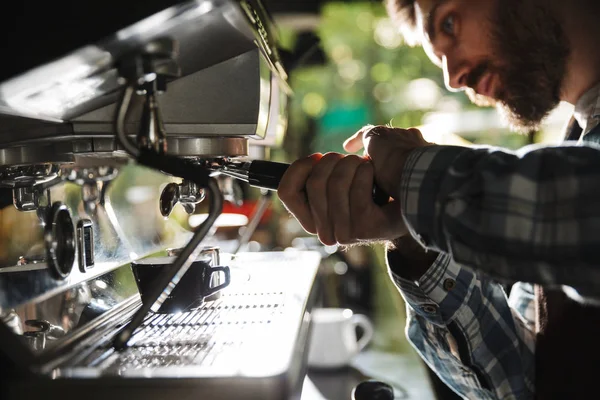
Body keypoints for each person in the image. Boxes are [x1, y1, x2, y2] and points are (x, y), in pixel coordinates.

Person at [278, 0, 600, 399]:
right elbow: (524, 384)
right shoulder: (576, 147)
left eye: (449, 22)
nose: (452, 78)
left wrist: (415, 173)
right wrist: (412, 237)